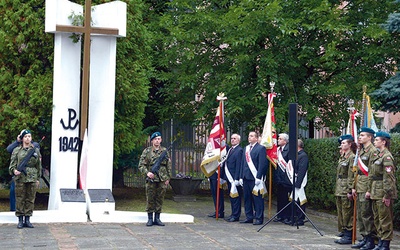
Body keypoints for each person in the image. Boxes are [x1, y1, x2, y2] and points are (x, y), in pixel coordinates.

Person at [366, 131, 397, 250]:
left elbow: (388, 178)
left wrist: (387, 195)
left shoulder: (386, 156)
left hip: (383, 192)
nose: (374, 141)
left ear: (383, 142)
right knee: (378, 218)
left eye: (377, 140)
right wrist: (369, 190)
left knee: (385, 219)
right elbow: (372, 175)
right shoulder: (377, 156)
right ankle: (380, 241)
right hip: (375, 191)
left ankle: (385, 243)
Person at [8, 129, 42, 229]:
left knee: (30, 198)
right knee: (20, 198)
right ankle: (20, 219)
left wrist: (37, 179)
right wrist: (14, 171)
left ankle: (27, 219)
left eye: (29, 136)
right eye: (26, 136)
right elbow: (12, 165)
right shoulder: (17, 150)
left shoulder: (35, 150)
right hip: (20, 177)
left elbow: (38, 166)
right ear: (22, 138)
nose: (28, 138)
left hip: (32, 177)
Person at [351, 127, 378, 249]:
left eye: (362, 135)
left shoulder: (373, 151)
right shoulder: (361, 151)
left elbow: (372, 172)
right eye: (360, 135)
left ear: (369, 137)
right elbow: (357, 171)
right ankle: (364, 237)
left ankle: (370, 239)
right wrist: (354, 187)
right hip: (360, 185)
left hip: (366, 184)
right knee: (361, 214)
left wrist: (368, 189)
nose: (360, 137)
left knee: (367, 214)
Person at [138, 132, 171, 226]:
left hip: (162, 177)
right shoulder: (147, 151)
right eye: (155, 139)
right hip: (151, 177)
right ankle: (149, 218)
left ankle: (157, 218)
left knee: (160, 198)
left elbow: (168, 165)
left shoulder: (164, 151)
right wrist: (147, 173)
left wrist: (168, 178)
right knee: (150, 197)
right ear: (152, 140)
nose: (157, 141)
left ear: (161, 140)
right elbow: (141, 165)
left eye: (159, 139)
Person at [239, 131, 268, 225]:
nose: (249, 137)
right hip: (246, 177)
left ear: (256, 138)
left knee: (257, 199)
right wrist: (240, 176)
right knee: (247, 199)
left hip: (255, 178)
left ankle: (259, 218)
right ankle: (249, 217)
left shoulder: (261, 148)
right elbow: (243, 163)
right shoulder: (246, 148)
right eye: (249, 136)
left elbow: (262, 164)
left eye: (251, 136)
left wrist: (259, 177)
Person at [334, 135, 357, 244]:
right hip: (340, 187)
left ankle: (349, 233)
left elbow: (351, 174)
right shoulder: (343, 157)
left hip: (345, 188)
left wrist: (349, 189)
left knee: (347, 211)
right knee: (341, 211)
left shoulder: (352, 157)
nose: (342, 145)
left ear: (350, 144)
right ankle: (344, 230)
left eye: (344, 143)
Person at [285, 139, 308, 226]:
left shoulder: (303, 156)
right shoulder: (295, 155)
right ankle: (294, 217)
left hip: (299, 182)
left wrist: (298, 184)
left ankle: (300, 219)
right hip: (293, 181)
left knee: (300, 200)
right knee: (294, 201)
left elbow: (302, 171)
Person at [223, 133, 243, 222]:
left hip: (234, 178)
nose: (232, 140)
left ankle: (236, 215)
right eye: (231, 138)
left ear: (238, 140)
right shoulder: (231, 149)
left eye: (235, 138)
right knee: (232, 197)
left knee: (236, 198)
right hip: (229, 177)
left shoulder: (239, 150)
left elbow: (239, 165)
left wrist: (237, 178)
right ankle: (233, 213)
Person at [274, 133, 292, 224]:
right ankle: (280, 215)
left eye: (280, 139)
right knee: (280, 198)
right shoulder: (277, 150)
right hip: (279, 178)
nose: (278, 140)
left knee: (286, 198)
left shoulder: (289, 149)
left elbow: (289, 165)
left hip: (286, 178)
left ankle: (287, 216)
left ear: (285, 140)